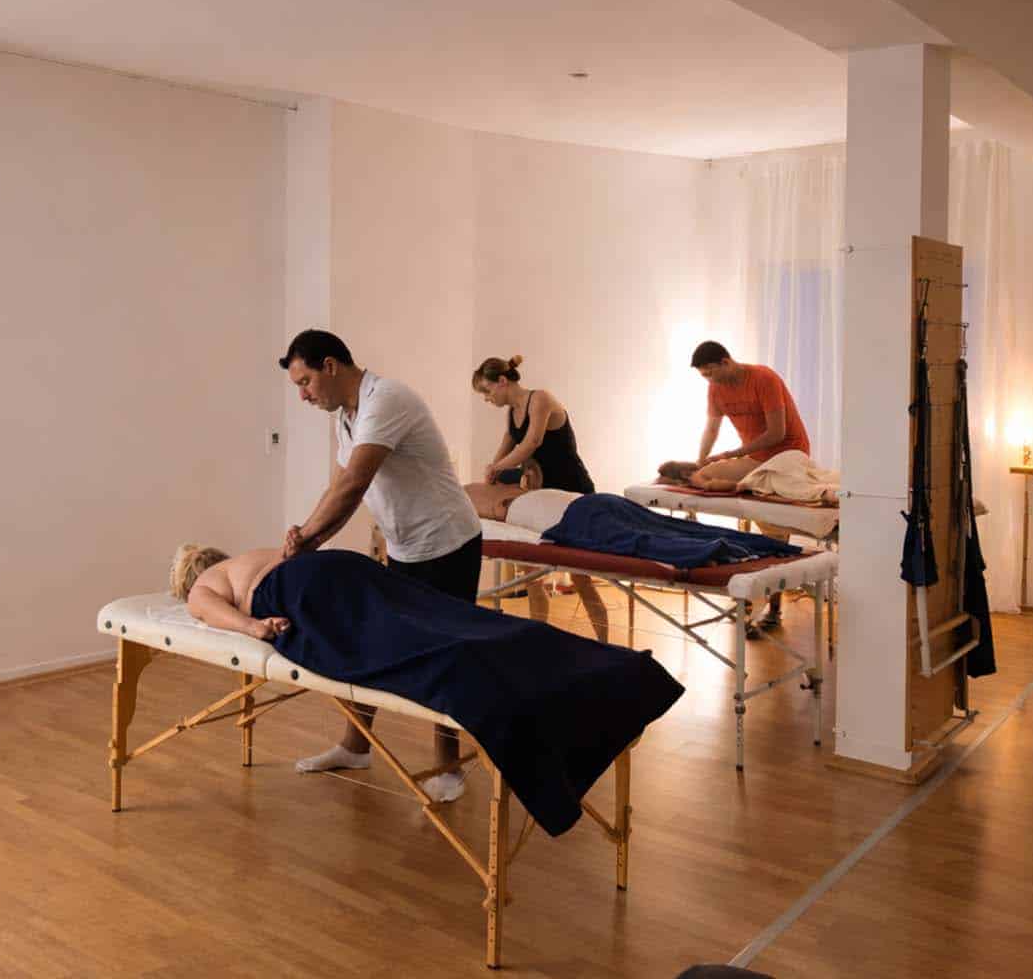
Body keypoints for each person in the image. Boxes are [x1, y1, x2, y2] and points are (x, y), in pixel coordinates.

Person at [169, 542, 685, 836]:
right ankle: (602, 667)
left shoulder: (204, 585)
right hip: (345, 566)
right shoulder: (252, 554)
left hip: (301, 594)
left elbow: (213, 611)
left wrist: (256, 627)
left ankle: (531, 689)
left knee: (413, 649)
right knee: (448, 620)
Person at [279, 329, 482, 803]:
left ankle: (450, 768)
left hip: (448, 543)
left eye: (305, 382)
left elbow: (355, 483)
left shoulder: (386, 399)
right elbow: (338, 488)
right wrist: (306, 535)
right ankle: (355, 747)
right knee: (373, 640)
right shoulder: (347, 418)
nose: (303, 395)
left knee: (443, 653)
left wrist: (307, 539)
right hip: (405, 546)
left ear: (331, 366)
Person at [472, 355, 609, 641]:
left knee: (581, 578)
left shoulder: (541, 399)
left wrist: (498, 467)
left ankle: (604, 642)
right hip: (543, 499)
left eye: (487, 391)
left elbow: (531, 442)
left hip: (574, 494)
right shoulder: (512, 413)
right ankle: (538, 642)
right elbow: (505, 449)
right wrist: (491, 473)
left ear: (502, 381)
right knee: (532, 577)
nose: (487, 398)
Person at [658, 341, 811, 491]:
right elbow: (711, 430)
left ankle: (733, 483)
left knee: (704, 476)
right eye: (704, 376)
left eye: (710, 373)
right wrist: (701, 461)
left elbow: (776, 434)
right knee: (702, 474)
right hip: (756, 458)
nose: (709, 380)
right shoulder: (715, 389)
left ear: (725, 362)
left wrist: (729, 455)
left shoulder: (764, 378)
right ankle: (707, 476)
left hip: (789, 454)